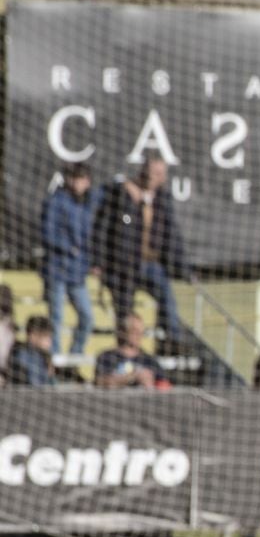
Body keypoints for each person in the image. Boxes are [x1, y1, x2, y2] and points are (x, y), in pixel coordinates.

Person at [94, 157, 189, 346]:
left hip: (150, 262)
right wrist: (98, 262)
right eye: (154, 173)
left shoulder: (162, 199)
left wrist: (184, 268)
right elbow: (104, 229)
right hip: (125, 263)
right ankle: (123, 346)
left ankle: (174, 342)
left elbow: (171, 233)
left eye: (161, 174)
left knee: (167, 297)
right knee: (124, 308)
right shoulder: (122, 195)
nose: (158, 178)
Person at [41, 161, 99, 357]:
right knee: (56, 318)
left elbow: (87, 239)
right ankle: (54, 361)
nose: (82, 184)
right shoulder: (55, 201)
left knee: (87, 317)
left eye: (85, 180)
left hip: (77, 273)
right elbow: (47, 234)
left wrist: (91, 262)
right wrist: (68, 248)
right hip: (57, 270)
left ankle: (74, 356)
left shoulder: (86, 205)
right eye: (78, 179)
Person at [93, 313, 169, 389]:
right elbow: (99, 382)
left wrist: (151, 383)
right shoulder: (107, 357)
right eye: (134, 331)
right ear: (123, 331)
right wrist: (132, 377)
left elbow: (165, 385)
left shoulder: (149, 360)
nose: (139, 335)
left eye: (141, 331)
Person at [7, 315, 56, 388]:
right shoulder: (21, 357)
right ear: (33, 335)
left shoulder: (43, 356)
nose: (50, 342)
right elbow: (34, 386)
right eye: (46, 336)